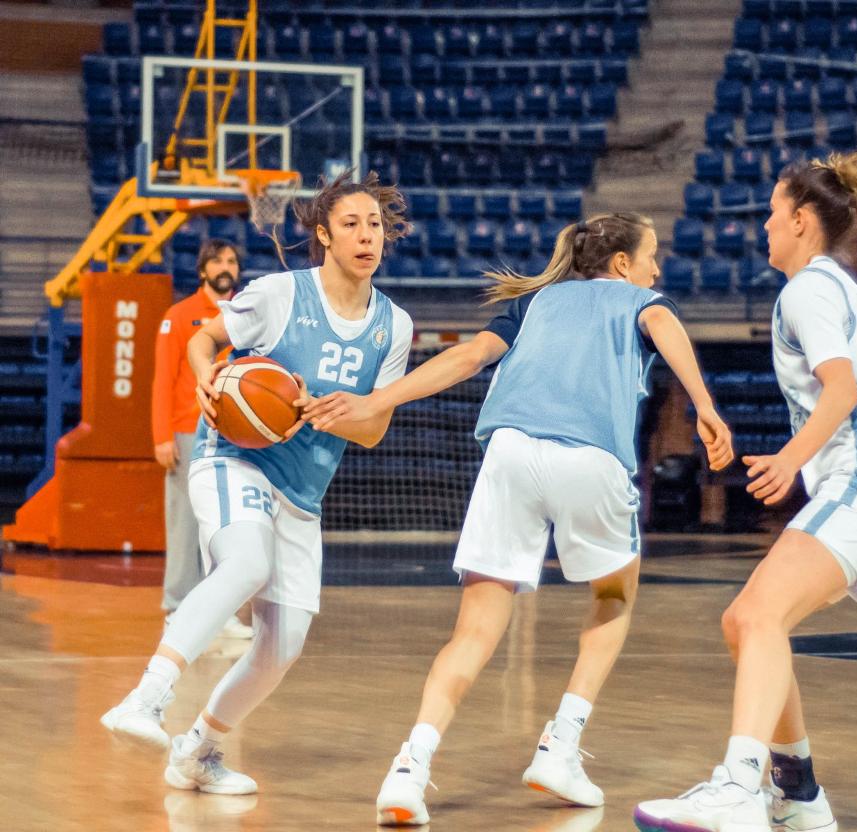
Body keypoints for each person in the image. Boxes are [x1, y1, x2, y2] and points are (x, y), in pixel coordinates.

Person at [302, 212, 734, 827]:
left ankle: (409, 767)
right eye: (651, 256)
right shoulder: (640, 298)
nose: (656, 269)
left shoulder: (533, 301)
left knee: (473, 630)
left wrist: (377, 398)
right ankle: (560, 744)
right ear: (621, 266)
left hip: (510, 456)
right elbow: (661, 319)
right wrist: (705, 405)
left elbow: (469, 358)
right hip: (591, 458)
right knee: (614, 600)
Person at [101, 171, 415, 796]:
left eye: (375, 225)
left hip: (302, 494)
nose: (366, 236)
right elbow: (204, 338)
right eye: (351, 224)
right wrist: (206, 378)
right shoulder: (279, 294)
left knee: (284, 644)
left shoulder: (394, 325)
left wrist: (327, 409)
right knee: (245, 563)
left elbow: (375, 431)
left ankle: (199, 751)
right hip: (232, 461)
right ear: (323, 234)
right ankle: (145, 698)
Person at [633, 152, 857, 832]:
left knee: (756, 618)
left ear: (802, 221)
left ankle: (739, 786)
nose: (762, 224)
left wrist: (787, 460)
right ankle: (799, 791)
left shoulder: (808, 290)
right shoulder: (831, 286)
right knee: (746, 622)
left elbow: (840, 392)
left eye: (773, 212)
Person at [152, 238, 253, 640]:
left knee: (222, 526)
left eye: (231, 259)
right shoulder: (178, 317)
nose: (225, 266)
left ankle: (218, 611)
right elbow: (161, 380)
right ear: (202, 271)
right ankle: (177, 608)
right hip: (185, 431)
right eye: (217, 261)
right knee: (184, 524)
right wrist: (162, 436)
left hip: (231, 432)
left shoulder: (244, 315)